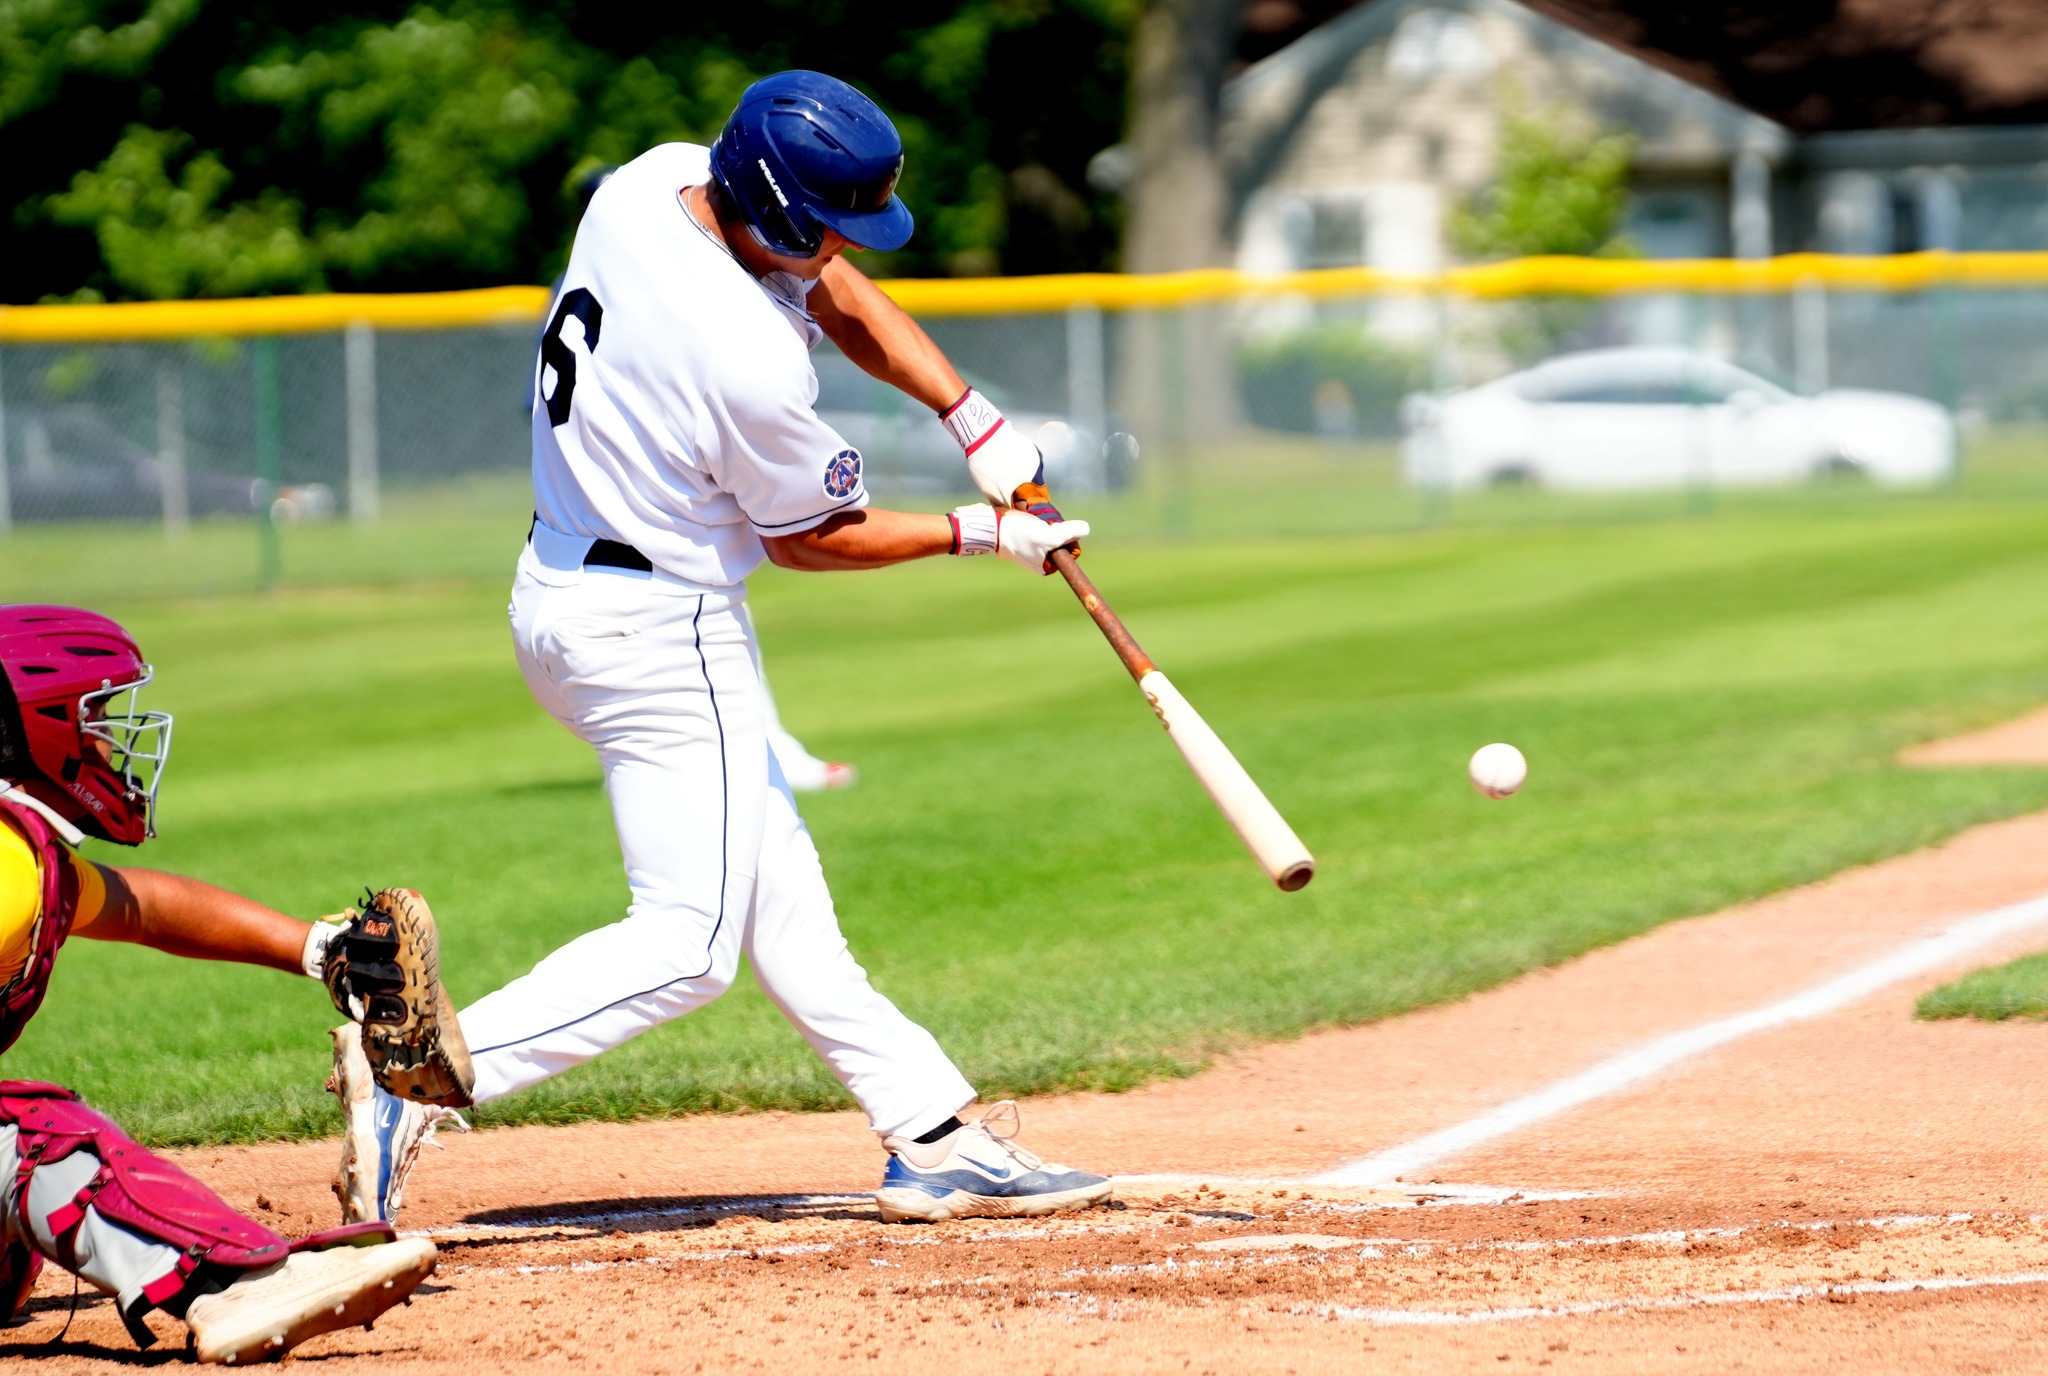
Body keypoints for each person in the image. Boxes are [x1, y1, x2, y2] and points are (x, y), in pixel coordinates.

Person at [331, 70, 1110, 1226]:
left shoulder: (652, 182)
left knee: (780, 899)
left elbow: (833, 281)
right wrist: (982, 530)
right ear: (777, 209)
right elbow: (813, 539)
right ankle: (426, 1070)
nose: (844, 245)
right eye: (827, 222)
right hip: (659, 625)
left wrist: (970, 416)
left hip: (561, 589)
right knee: (691, 941)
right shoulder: (743, 356)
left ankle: (930, 1130)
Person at [0, 603, 439, 1363]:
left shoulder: (24, 857)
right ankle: (231, 1286)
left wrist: (316, 948)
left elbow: (148, 909)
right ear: (33, 725)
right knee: (35, 1138)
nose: (112, 739)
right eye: (94, 716)